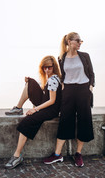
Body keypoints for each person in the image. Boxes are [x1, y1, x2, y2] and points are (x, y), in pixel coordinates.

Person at [43, 32, 95, 167]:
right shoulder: (62, 58)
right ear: (69, 42)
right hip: (69, 91)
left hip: (83, 90)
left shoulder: (85, 56)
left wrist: (90, 87)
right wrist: (61, 85)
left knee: (84, 120)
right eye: (77, 40)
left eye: (80, 41)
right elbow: (62, 75)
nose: (80, 43)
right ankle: (57, 155)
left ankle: (78, 153)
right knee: (65, 120)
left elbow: (91, 73)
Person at [5, 55, 62, 169]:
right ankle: (18, 107)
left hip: (51, 110)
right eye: (44, 67)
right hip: (47, 105)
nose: (46, 70)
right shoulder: (51, 78)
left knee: (27, 121)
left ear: (54, 67)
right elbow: (46, 93)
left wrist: (35, 109)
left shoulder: (52, 80)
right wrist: (32, 84)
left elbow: (52, 100)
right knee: (30, 82)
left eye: (49, 67)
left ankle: (17, 156)